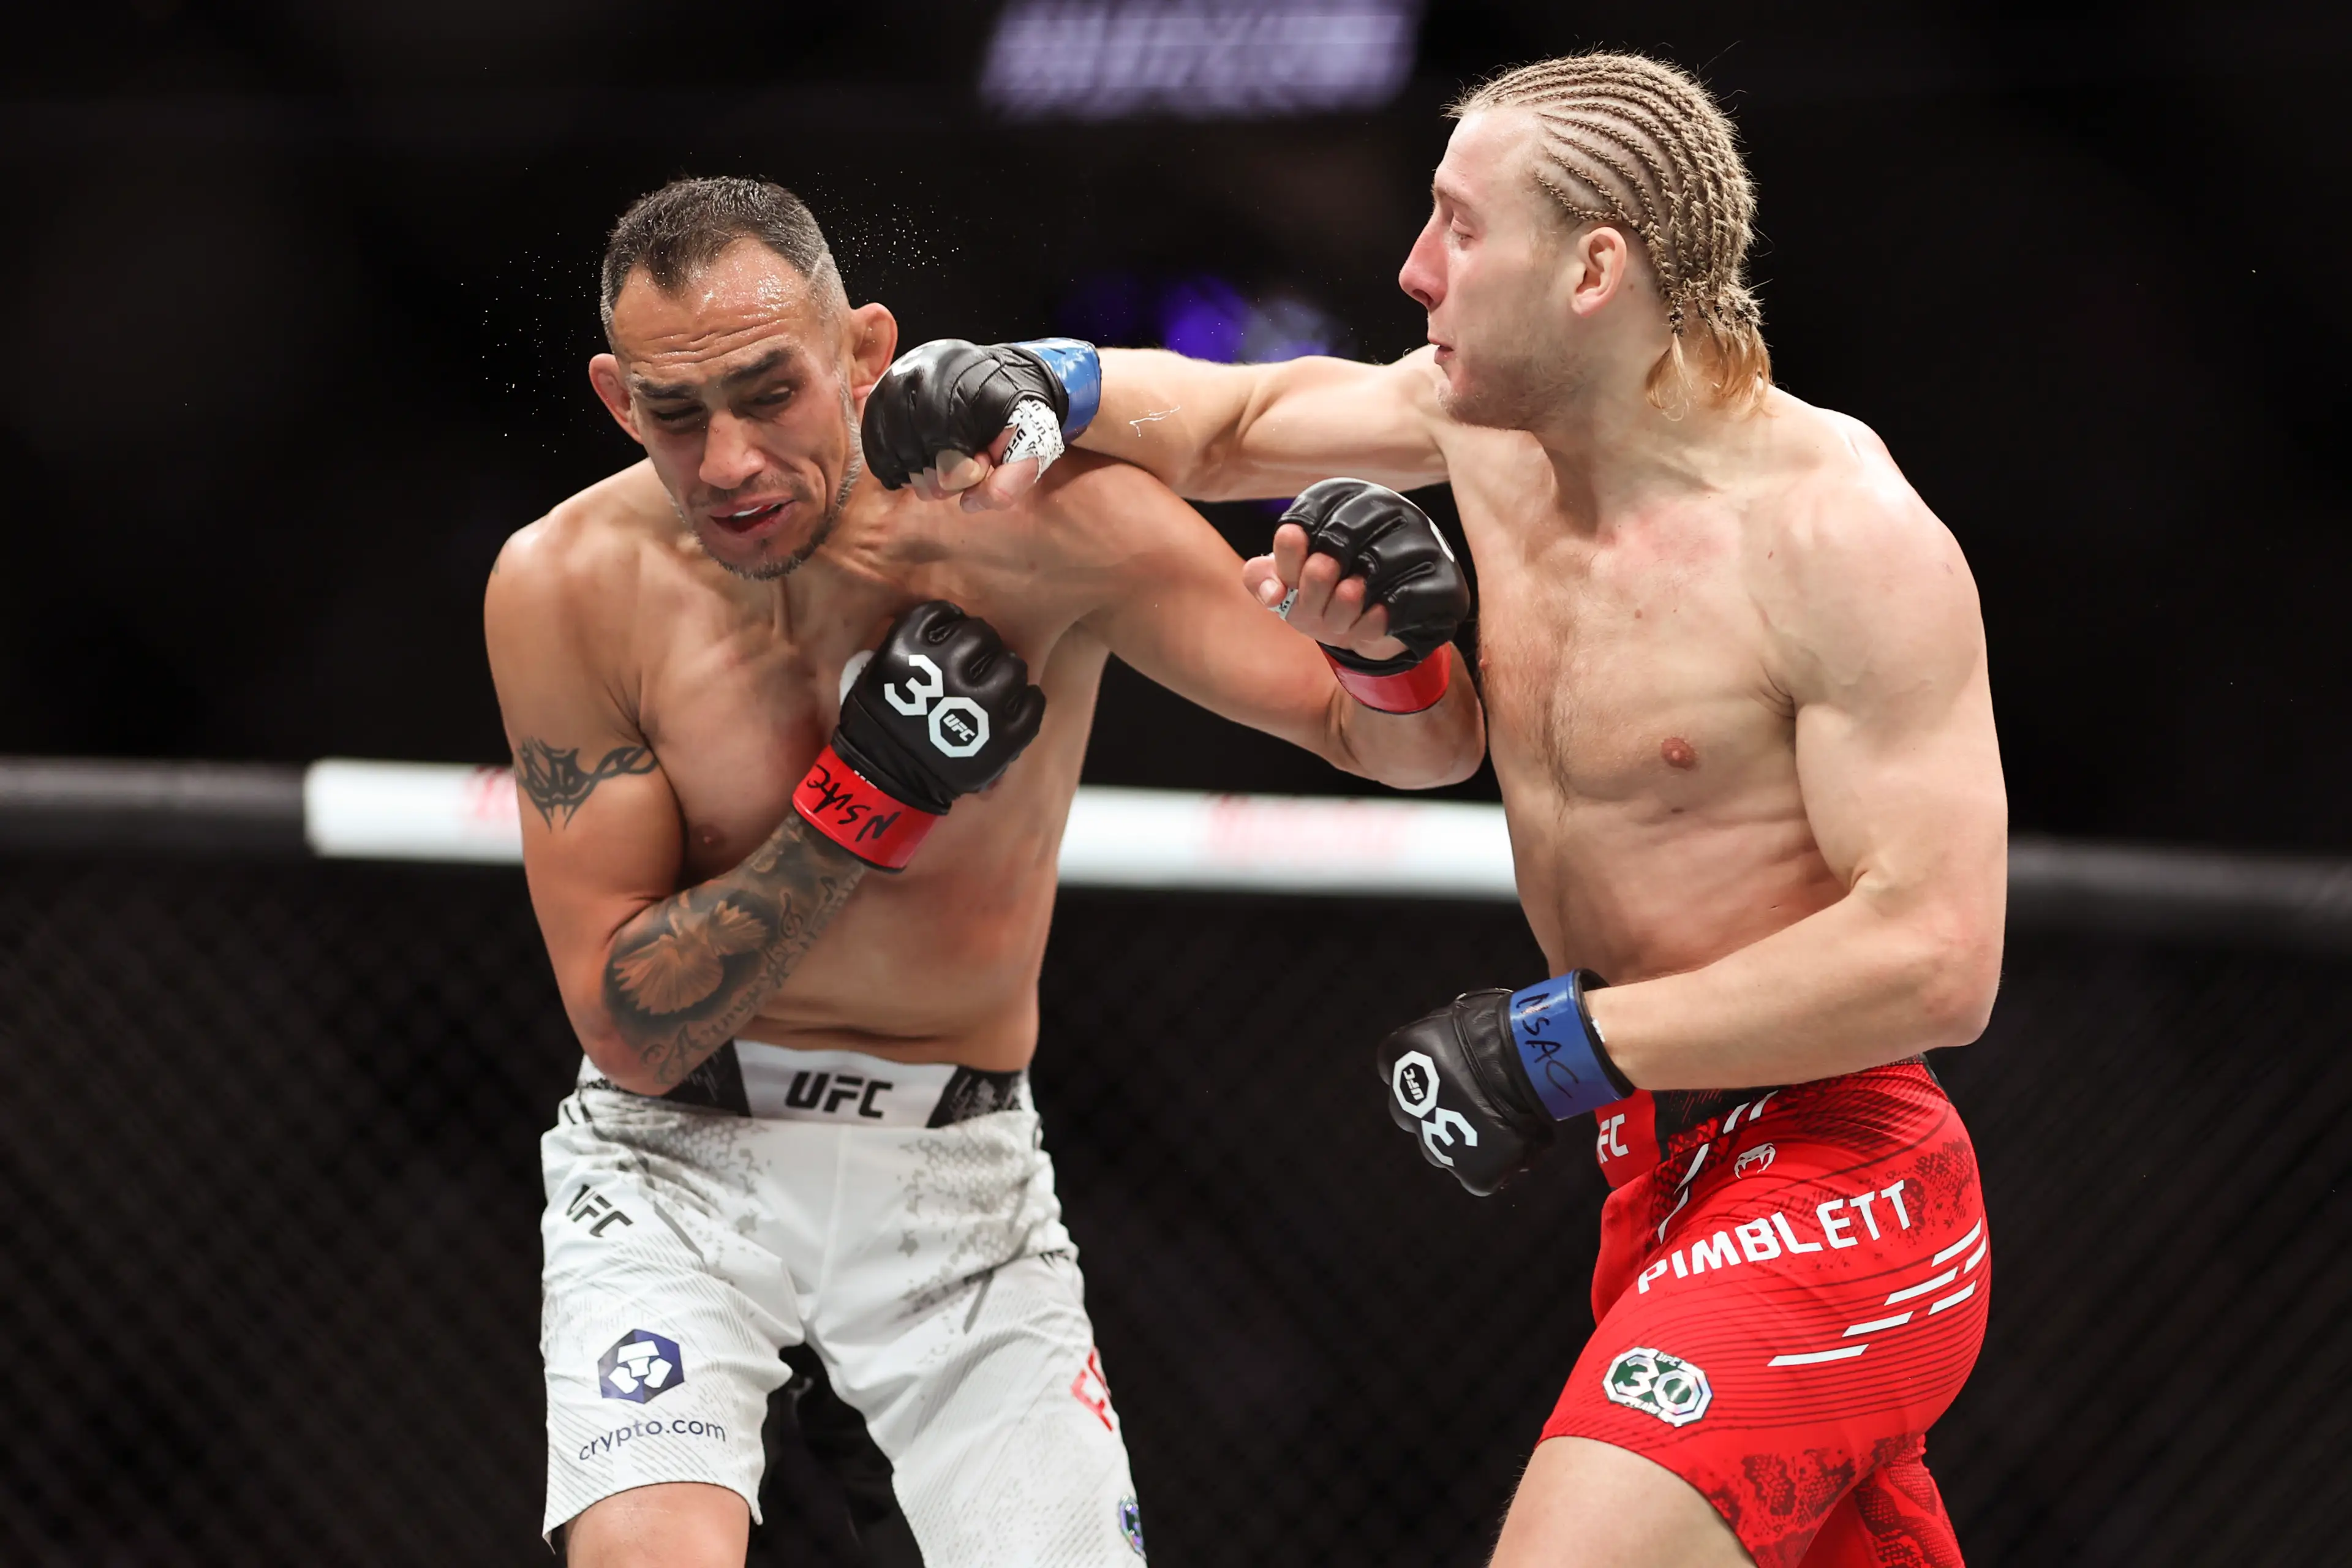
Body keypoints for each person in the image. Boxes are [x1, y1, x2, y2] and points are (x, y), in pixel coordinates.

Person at [863, 50, 2006, 1568]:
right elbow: (1234, 414)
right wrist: (1045, 375)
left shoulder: (1837, 534)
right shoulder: (1491, 431)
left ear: (1596, 267)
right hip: (1652, 1170)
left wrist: (1567, 1043)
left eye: (1463, 229)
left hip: (1840, 1179)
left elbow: (1939, 954)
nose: (1413, 271)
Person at [483, 176, 1486, 1568]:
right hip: (675, 1163)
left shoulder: (1038, 522)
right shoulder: (565, 583)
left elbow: (1410, 750)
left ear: (863, 350)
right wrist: (860, 804)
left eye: (769, 393)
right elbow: (628, 1025)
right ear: (614, 397)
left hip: (953, 1169)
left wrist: (1389, 650)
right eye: (674, 411)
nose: (725, 461)